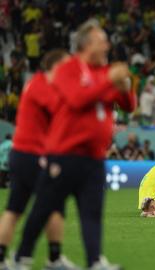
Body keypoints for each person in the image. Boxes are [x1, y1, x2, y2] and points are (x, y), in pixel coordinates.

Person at [11, 19, 136, 270]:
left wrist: (125, 87)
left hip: (94, 157)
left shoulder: (103, 72)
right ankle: (20, 257)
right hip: (65, 154)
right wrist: (109, 80)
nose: (107, 45)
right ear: (87, 44)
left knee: (92, 212)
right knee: (43, 208)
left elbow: (128, 106)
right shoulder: (68, 69)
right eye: (102, 41)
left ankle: (95, 261)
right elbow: (77, 99)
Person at [0, 50, 80, 270]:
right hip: (33, 155)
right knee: (53, 205)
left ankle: (4, 259)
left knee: (15, 209)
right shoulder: (42, 85)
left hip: (24, 154)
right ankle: (50, 259)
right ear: (54, 66)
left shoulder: (37, 84)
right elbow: (63, 109)